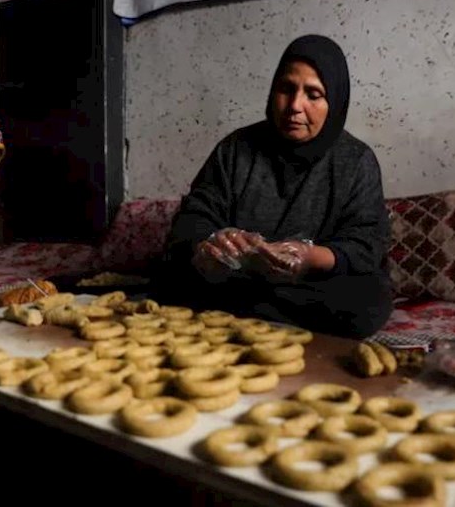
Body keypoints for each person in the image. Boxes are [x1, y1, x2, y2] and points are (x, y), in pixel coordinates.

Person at [159, 34, 392, 339]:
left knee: (364, 298)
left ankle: (244, 315)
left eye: (313, 94)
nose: (295, 105)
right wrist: (213, 245)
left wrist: (308, 258)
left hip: (312, 285)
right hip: (237, 277)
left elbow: (365, 243)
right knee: (172, 277)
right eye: (286, 89)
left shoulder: (356, 160)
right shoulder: (235, 149)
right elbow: (194, 217)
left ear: (334, 102)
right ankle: (256, 312)